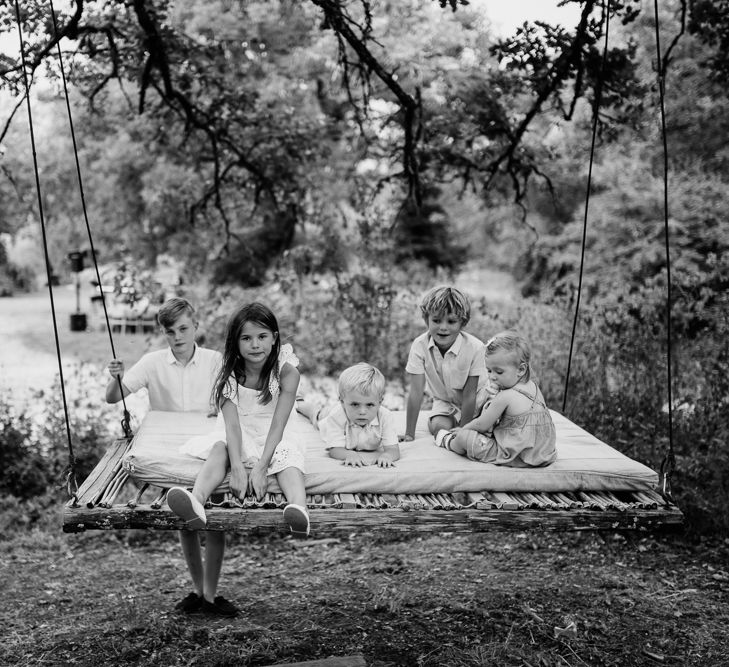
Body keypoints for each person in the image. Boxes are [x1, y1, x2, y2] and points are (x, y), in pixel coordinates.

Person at [105, 298, 233, 616]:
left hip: (207, 451)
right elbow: (112, 398)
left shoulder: (215, 361)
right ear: (163, 332)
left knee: (215, 522)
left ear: (196, 326)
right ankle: (197, 590)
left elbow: (233, 399)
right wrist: (116, 377)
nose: (177, 337)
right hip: (170, 454)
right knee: (186, 524)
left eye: (183, 329)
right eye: (170, 331)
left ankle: (211, 596)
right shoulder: (152, 363)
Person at [167, 302, 309, 556]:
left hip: (273, 429)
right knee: (220, 446)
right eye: (246, 338)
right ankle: (196, 502)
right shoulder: (229, 371)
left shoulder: (287, 372)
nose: (255, 345)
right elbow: (232, 426)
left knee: (288, 454)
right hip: (238, 427)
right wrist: (238, 469)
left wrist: (262, 467)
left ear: (275, 338)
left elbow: (279, 424)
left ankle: (299, 509)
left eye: (262, 337)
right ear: (236, 341)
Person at [434, 331, 557, 467]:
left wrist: (463, 429)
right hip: (542, 453)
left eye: (499, 372)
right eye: (489, 370)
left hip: (515, 456)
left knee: (465, 438)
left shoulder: (505, 397)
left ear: (521, 370)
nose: (492, 377)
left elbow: (481, 424)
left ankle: (449, 442)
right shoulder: (533, 386)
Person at [401, 285, 493, 442]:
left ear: (462, 323)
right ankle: (453, 434)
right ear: (426, 319)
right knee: (438, 426)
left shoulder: (475, 347)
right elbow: (416, 393)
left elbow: (470, 396)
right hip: (446, 403)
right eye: (436, 320)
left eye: (451, 321)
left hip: (480, 400)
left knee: (492, 423)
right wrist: (409, 434)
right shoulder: (420, 346)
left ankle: (472, 429)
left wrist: (464, 432)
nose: (443, 327)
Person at [300, 363, 400, 467]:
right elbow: (334, 450)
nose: (362, 412)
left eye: (370, 404)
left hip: (347, 412)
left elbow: (393, 450)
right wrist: (350, 454)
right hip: (328, 416)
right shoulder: (336, 416)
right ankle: (299, 403)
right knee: (316, 414)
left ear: (380, 402)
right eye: (355, 404)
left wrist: (387, 456)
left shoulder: (385, 417)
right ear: (342, 402)